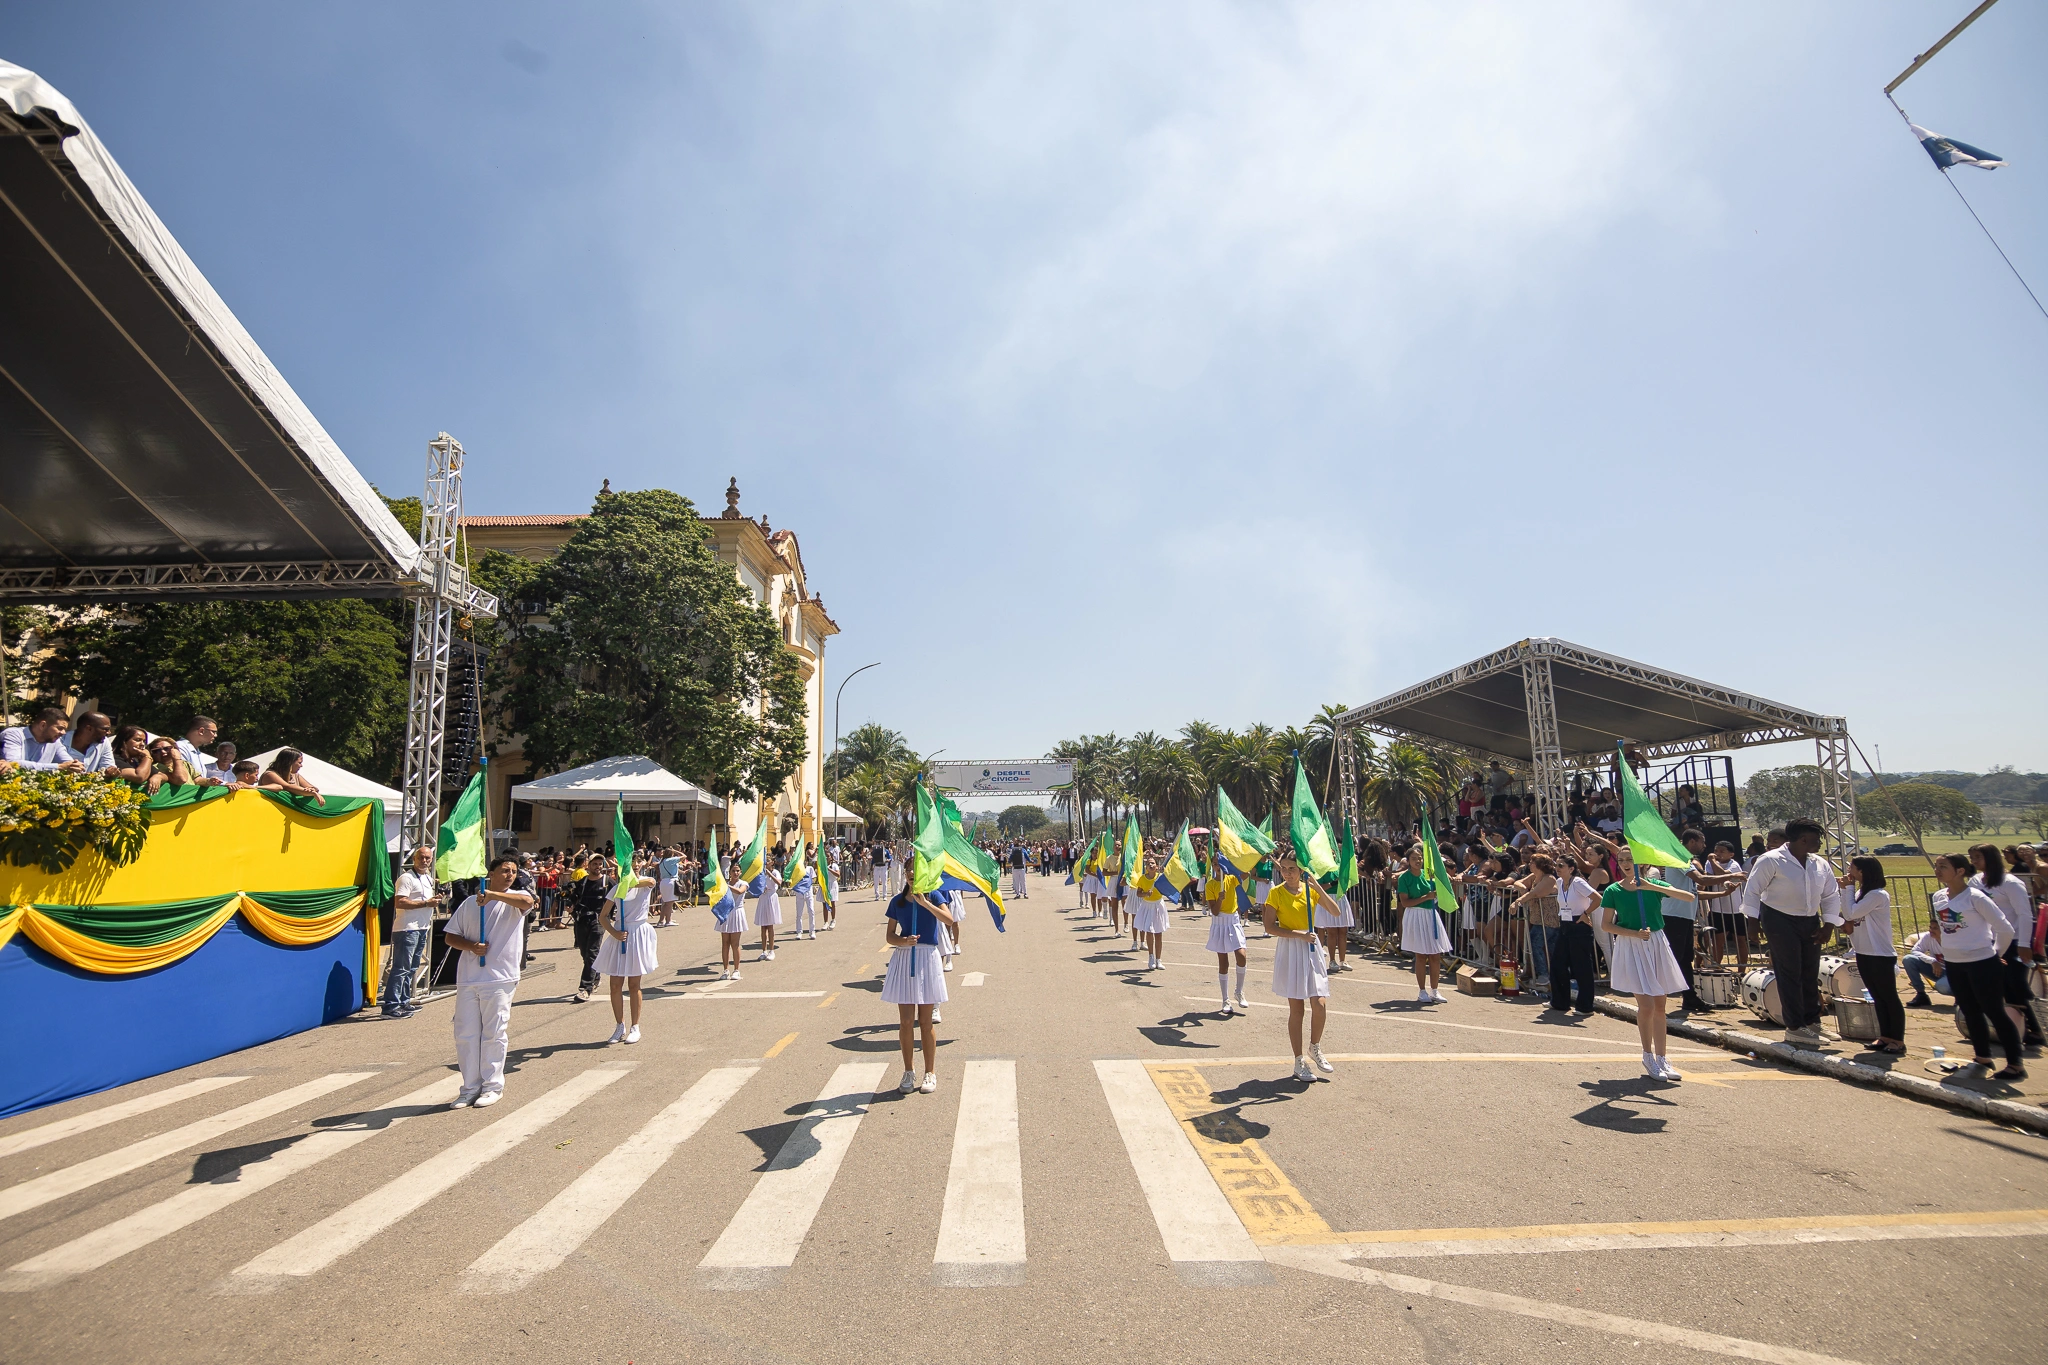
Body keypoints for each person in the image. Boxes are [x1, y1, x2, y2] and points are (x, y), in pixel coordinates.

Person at [441, 854, 536, 1108]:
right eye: (505, 870)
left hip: (500, 978)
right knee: (466, 1034)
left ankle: (493, 1086)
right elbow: (450, 937)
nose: (510, 875)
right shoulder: (470, 903)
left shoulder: (514, 900)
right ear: (490, 875)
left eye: (514, 871)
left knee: (494, 1033)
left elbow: (528, 901)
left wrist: (494, 896)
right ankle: (470, 1087)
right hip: (470, 978)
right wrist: (471, 946)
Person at [1596, 849, 1695, 1081]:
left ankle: (1662, 1058)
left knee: (1661, 1006)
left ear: (1640, 862)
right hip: (1632, 945)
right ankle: (1647, 1055)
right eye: (1621, 860)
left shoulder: (1653, 885)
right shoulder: (1613, 890)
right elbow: (1607, 925)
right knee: (1647, 1006)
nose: (1625, 864)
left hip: (1657, 943)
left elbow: (1689, 897)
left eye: (1630, 859)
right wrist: (1633, 933)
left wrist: (1654, 887)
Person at [1742, 818, 1842, 1046]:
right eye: (1816, 840)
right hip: (1779, 919)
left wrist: (1828, 925)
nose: (1819, 844)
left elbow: (1830, 895)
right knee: (1790, 973)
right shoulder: (1771, 860)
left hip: (1809, 920)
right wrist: (1752, 923)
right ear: (1803, 839)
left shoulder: (1819, 863)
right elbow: (1752, 891)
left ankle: (1812, 1022)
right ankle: (1795, 1027)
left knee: (1809, 972)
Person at [1927, 853, 2024, 1080]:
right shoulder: (1939, 897)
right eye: (1936, 866)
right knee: (1969, 1011)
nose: (1938, 870)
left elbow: (2005, 928)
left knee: (1994, 1011)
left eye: (1943, 866)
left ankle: (2015, 1064)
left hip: (1981, 962)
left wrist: (1994, 954)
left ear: (1960, 871)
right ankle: (1982, 1057)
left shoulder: (1976, 897)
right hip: (1955, 962)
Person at [1264, 848, 1333, 1081]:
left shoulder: (1309, 891)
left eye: (1292, 869)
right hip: (1292, 948)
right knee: (1297, 1009)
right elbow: (1270, 927)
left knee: (1320, 1003)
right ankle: (1298, 1061)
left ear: (1301, 870)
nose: (1286, 873)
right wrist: (1298, 935)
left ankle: (1315, 1047)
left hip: (1312, 950)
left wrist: (1316, 886)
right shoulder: (1276, 893)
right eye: (1283, 869)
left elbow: (1334, 911)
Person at [1969, 844, 2044, 1049]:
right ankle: (2015, 1028)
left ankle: (2039, 1027)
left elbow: (2024, 913)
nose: (1973, 861)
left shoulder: (2010, 882)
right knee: (2001, 986)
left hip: (2014, 939)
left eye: (1977, 857)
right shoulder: (1975, 881)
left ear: (1990, 858)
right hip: (1988, 941)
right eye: (1971, 857)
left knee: (2017, 984)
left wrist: (2023, 944)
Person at [883, 881, 954, 1095]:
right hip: (906, 957)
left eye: (916, 873)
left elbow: (948, 919)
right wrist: (903, 941)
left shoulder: (934, 895)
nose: (913, 877)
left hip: (927, 957)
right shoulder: (898, 901)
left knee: (925, 1021)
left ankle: (929, 1072)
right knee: (906, 1022)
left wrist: (925, 904)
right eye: (909, 873)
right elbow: (889, 935)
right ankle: (908, 1071)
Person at [1838, 857, 1904, 1055]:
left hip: (1880, 954)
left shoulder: (1878, 895)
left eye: (1852, 867)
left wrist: (1846, 889)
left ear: (1863, 872)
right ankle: (1884, 1036)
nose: (1849, 870)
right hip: (1864, 952)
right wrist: (1848, 890)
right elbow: (1849, 915)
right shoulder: (1860, 892)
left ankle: (1898, 1040)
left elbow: (1851, 913)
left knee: (1889, 997)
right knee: (1877, 997)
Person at [596, 860, 658, 1044]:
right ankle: (619, 1026)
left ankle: (635, 1027)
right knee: (615, 984)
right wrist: (614, 932)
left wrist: (626, 879)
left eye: (636, 863)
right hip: (620, 934)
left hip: (638, 933)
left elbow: (642, 883)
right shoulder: (616, 890)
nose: (634, 866)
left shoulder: (647, 881)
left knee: (634, 984)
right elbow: (603, 916)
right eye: (629, 864)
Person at [386, 846, 441, 1019]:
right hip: (407, 928)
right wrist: (426, 904)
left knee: (411, 968)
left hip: (422, 928)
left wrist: (435, 900)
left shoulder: (427, 878)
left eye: (428, 858)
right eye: (421, 858)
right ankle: (390, 1006)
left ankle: (404, 1001)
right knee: (401, 968)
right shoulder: (406, 878)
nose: (424, 861)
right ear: (414, 858)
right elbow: (400, 902)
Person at [1396, 844, 1453, 1003]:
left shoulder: (1428, 875)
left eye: (1420, 858)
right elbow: (1405, 902)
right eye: (1414, 858)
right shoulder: (1404, 878)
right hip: (1415, 915)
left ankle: (1435, 990)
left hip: (1430, 915)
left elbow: (1438, 892)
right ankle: (1422, 991)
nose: (1418, 861)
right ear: (1408, 861)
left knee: (1435, 955)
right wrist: (1426, 897)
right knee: (1420, 956)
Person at [1548, 854, 1601, 1013]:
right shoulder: (1559, 882)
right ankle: (1559, 1001)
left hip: (1579, 925)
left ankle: (1585, 1006)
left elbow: (1597, 898)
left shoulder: (1577, 882)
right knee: (1558, 963)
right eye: (1557, 865)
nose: (1557, 868)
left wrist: (1586, 914)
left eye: (1561, 865)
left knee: (1581, 967)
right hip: (1564, 923)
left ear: (1571, 869)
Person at [1206, 867, 1250, 1016]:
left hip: (1233, 921)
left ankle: (1239, 991)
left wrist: (1235, 863)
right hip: (1220, 922)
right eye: (1216, 864)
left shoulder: (1232, 879)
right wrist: (1220, 898)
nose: (1219, 868)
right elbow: (1215, 911)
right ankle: (1225, 999)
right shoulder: (1210, 885)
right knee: (1223, 962)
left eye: (1221, 865)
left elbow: (1247, 872)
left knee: (1241, 955)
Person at [570, 854, 611, 1001]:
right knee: (585, 952)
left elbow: (618, 896)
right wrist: (570, 906)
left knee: (592, 952)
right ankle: (596, 975)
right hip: (581, 920)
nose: (598, 866)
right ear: (588, 865)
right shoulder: (583, 882)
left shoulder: (607, 881)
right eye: (595, 864)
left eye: (600, 864)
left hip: (598, 920)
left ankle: (585, 988)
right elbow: (573, 897)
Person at [2, 707, 84, 772]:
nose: (63, 733)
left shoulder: (55, 741)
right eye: (60, 728)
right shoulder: (14, 734)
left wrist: (75, 765)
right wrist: (58, 767)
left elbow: (68, 762)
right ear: (43, 725)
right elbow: (13, 763)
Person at [1130, 853, 1169, 970]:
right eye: (1148, 864)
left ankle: (1158, 959)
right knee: (1149, 931)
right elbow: (1138, 893)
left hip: (1158, 905)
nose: (1150, 865)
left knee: (1158, 933)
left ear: (1156, 866)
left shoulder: (1160, 877)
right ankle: (1151, 957)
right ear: (1146, 867)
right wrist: (1146, 894)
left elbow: (1166, 888)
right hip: (1147, 906)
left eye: (1152, 863)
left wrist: (1164, 873)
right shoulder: (1142, 878)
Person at [1901, 930, 1949, 1007]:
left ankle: (1960, 998)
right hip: (1935, 970)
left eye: (1935, 928)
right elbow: (1915, 950)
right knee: (1908, 960)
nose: (1931, 930)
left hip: (1952, 974)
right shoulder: (1928, 936)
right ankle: (1921, 995)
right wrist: (1933, 961)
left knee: (1941, 986)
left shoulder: (1951, 939)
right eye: (1930, 927)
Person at [174, 717, 224, 786]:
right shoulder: (180, 747)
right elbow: (185, 778)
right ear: (201, 731)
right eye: (213, 732)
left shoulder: (196, 752)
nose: (215, 735)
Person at [257, 748, 322, 801]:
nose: (301, 766)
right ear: (290, 762)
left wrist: (312, 790)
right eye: (299, 763)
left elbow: (313, 788)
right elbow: (287, 787)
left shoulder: (295, 775)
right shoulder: (270, 774)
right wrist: (311, 793)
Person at [752, 858, 784, 960]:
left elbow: (779, 882)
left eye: (768, 861)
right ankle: (764, 950)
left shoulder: (775, 872)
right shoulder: (761, 873)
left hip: (771, 897)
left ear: (772, 862)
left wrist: (769, 874)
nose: (766, 863)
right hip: (763, 897)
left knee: (770, 926)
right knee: (763, 926)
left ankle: (771, 950)